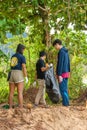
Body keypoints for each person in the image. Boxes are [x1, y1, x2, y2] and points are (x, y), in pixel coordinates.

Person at [8, 44, 28, 109]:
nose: (23, 51)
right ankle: (21, 108)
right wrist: (25, 76)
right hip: (18, 73)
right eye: (23, 50)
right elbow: (24, 67)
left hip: (11, 73)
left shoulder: (13, 56)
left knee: (11, 92)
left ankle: (10, 108)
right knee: (20, 92)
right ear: (21, 49)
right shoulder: (22, 57)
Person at [53, 39, 70, 106]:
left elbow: (60, 64)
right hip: (66, 72)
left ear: (57, 44)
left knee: (63, 89)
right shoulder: (66, 51)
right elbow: (68, 63)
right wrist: (69, 71)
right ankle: (66, 103)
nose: (55, 48)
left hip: (62, 73)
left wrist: (59, 75)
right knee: (64, 88)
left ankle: (66, 104)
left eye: (55, 46)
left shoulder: (61, 52)